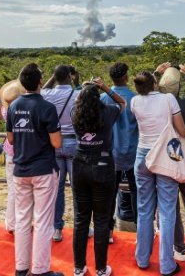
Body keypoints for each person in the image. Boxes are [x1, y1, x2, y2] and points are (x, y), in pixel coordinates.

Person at [132, 70, 185, 276]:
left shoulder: (135, 101)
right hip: (165, 156)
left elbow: (147, 88)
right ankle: (167, 264)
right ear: (155, 82)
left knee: (144, 210)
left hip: (142, 156)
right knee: (167, 211)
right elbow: (183, 131)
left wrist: (156, 73)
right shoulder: (168, 99)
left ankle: (142, 258)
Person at [7, 63, 64, 276]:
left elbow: (11, 139)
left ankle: (21, 268)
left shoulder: (13, 106)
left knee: (22, 220)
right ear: (40, 81)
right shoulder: (46, 107)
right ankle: (40, 270)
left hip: (21, 169)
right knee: (43, 221)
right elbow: (57, 143)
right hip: (42, 170)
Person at [71, 79, 125, 276]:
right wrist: (104, 87)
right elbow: (122, 104)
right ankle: (101, 269)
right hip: (103, 165)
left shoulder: (74, 113)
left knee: (80, 219)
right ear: (99, 97)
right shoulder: (108, 111)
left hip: (80, 164)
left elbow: (78, 101)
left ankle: (78, 267)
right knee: (101, 219)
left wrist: (83, 89)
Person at [154, 63, 185, 261]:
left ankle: (179, 247)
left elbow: (143, 90)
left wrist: (156, 73)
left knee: (170, 203)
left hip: (166, 157)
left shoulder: (156, 104)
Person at [41, 64, 81, 242]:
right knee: (78, 189)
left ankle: (57, 228)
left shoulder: (47, 94)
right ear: (70, 77)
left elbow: (42, 89)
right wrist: (77, 83)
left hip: (55, 143)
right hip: (74, 143)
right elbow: (82, 95)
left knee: (57, 190)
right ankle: (82, 227)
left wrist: (53, 77)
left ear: (55, 77)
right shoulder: (77, 94)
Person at [99, 62, 138, 241]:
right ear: (126, 77)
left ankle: (108, 231)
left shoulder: (102, 99)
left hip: (110, 153)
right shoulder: (135, 99)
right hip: (133, 152)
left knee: (109, 194)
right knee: (138, 192)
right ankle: (141, 231)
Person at [0, 79, 25, 233]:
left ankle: (11, 223)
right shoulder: (24, 111)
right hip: (24, 153)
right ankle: (20, 222)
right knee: (25, 191)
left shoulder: (6, 111)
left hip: (10, 153)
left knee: (12, 190)